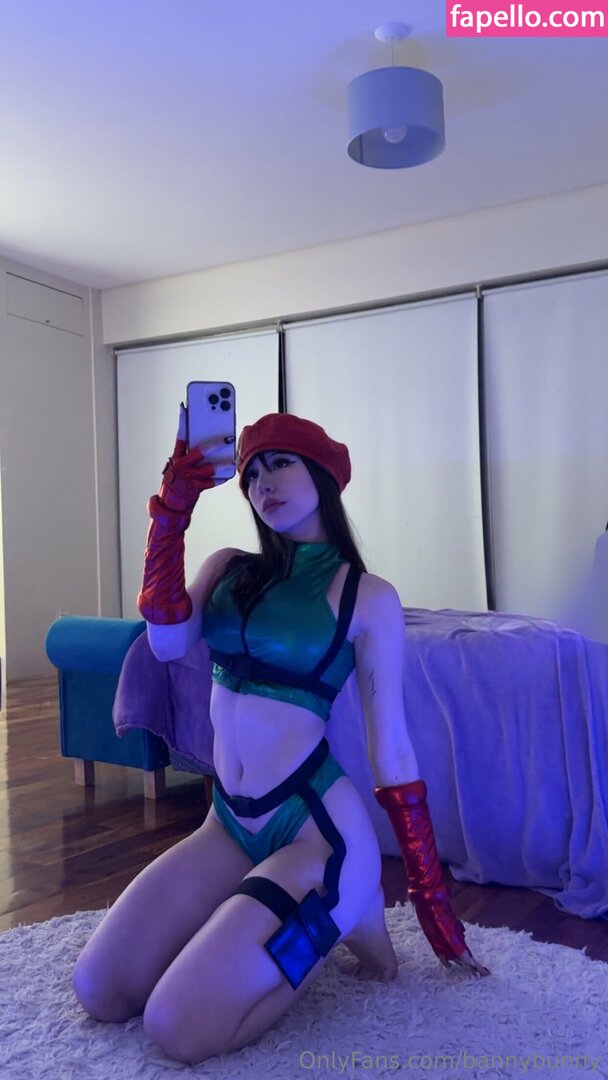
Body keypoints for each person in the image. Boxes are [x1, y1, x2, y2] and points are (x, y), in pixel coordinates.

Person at [73, 410, 488, 1065]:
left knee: (178, 1026)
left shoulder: (365, 596)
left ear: (322, 474)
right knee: (100, 988)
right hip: (228, 826)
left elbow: (393, 752)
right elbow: (166, 641)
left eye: (280, 463)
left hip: (317, 837)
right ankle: (315, 914)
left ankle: (348, 905)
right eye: (251, 473)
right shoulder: (228, 568)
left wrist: (435, 909)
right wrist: (172, 510)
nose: (262, 482)